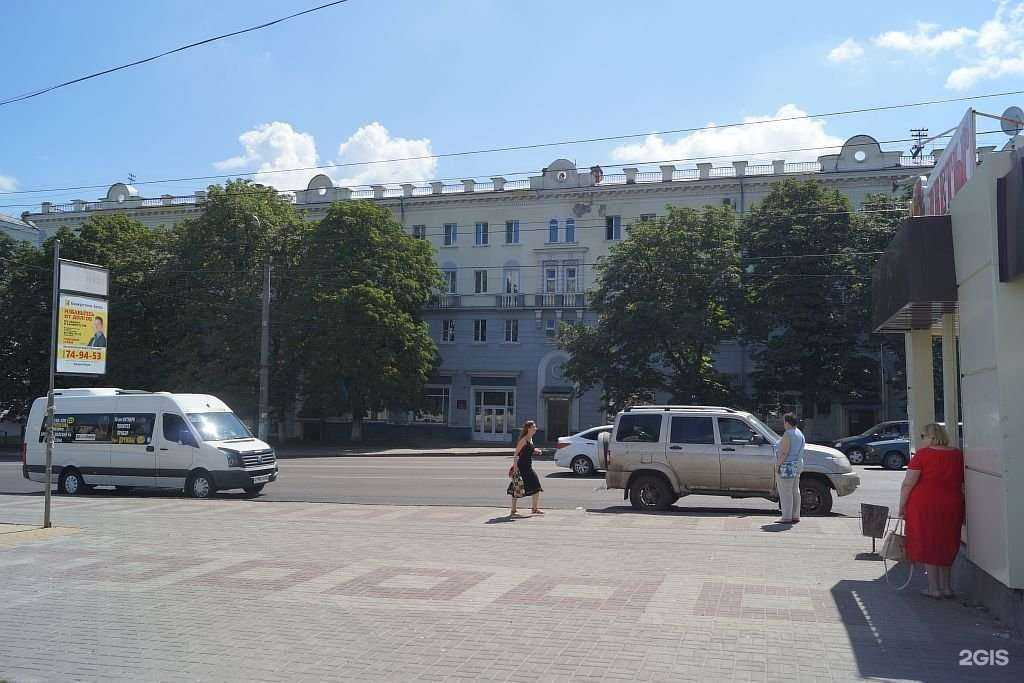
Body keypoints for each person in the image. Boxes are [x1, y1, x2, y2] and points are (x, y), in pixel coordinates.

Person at [899, 423, 965, 599]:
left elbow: (908, 483)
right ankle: (947, 587)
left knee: (929, 543)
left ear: (931, 437)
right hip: (952, 504)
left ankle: (933, 588)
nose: (922, 440)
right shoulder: (957, 455)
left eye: (923, 436)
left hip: (925, 504)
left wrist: (901, 505)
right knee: (947, 542)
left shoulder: (923, 455)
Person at [775, 413, 805, 524]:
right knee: (795, 491)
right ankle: (795, 515)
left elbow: (784, 452)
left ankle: (786, 517)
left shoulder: (788, 434)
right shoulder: (799, 433)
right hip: (797, 465)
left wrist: (778, 464)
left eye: (784, 422)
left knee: (785, 492)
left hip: (787, 466)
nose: (783, 424)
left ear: (787, 423)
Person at [508, 420, 543, 517]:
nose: (536, 428)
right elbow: (516, 454)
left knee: (536, 485)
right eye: (534, 427)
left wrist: (536, 451)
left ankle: (534, 509)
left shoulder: (530, 439)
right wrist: (515, 468)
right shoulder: (523, 440)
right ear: (529, 428)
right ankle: (513, 511)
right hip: (521, 467)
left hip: (528, 466)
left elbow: (529, 449)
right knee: (516, 487)